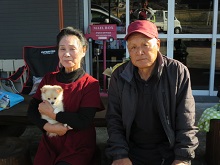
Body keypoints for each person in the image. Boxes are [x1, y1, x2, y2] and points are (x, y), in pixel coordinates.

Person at [105, 20, 199, 165]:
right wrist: (119, 154)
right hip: (131, 151)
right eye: (133, 47)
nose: (139, 52)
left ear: (158, 44)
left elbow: (186, 118)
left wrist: (182, 158)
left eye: (145, 45)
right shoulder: (120, 75)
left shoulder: (177, 72)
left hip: (168, 152)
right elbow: (114, 119)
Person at [28, 26, 104, 165]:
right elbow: (32, 110)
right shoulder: (48, 79)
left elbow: (83, 121)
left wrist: (54, 114)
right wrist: (49, 127)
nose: (67, 54)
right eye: (62, 49)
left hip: (78, 147)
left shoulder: (90, 84)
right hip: (50, 145)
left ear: (83, 50)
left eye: (72, 49)